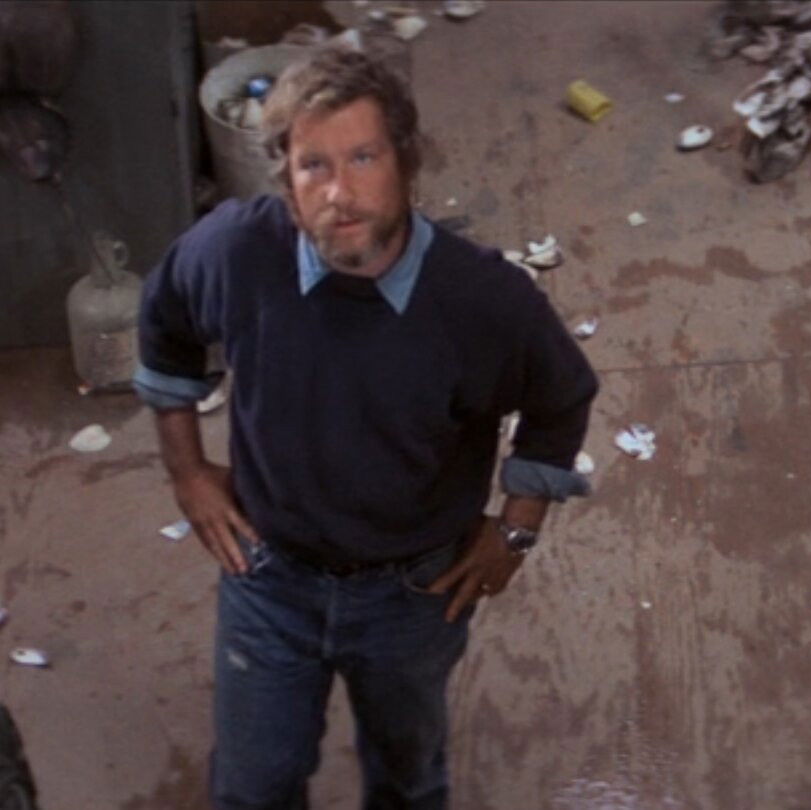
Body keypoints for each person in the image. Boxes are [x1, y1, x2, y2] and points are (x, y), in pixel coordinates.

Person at [134, 48, 597, 809]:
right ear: (285, 182)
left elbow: (561, 396)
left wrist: (517, 529)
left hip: (414, 591)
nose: (339, 192)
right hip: (268, 576)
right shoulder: (236, 252)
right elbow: (165, 323)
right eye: (313, 165)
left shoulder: (483, 301)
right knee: (252, 789)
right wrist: (186, 470)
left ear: (407, 162)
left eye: (363, 157)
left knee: (409, 779)